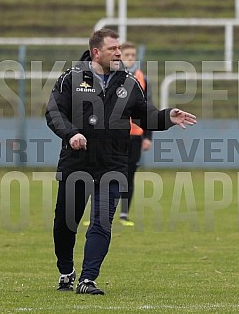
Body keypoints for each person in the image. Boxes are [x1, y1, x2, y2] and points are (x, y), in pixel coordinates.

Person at [45, 28, 197, 295]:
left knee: (102, 222)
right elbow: (54, 113)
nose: (118, 53)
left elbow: (146, 116)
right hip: (76, 164)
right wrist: (71, 134)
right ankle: (67, 271)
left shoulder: (129, 82)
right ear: (96, 52)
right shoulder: (71, 78)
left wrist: (167, 117)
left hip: (113, 165)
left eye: (119, 48)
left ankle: (88, 279)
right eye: (112, 49)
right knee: (65, 224)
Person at [119, 41, 152, 226]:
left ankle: (124, 214)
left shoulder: (142, 79)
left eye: (133, 55)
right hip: (114, 135)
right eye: (127, 55)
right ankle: (100, 213)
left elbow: (148, 110)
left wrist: (148, 136)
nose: (131, 58)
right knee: (106, 172)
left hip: (135, 135)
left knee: (129, 174)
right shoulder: (111, 77)